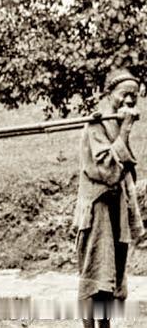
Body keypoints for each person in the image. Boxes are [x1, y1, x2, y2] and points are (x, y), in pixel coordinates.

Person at [73, 68, 144, 328]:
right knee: (94, 276)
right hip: (97, 210)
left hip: (117, 209)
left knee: (111, 278)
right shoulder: (96, 124)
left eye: (134, 96)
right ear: (109, 93)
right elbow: (108, 171)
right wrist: (125, 130)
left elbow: (126, 168)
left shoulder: (116, 122)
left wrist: (124, 129)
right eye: (124, 94)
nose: (129, 100)